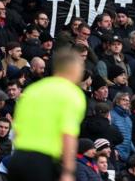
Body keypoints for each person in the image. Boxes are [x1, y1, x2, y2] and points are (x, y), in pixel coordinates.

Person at [8, 49, 87, 181]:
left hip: (17, 159)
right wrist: (68, 171)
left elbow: (16, 130)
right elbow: (68, 134)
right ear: (75, 69)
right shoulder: (72, 93)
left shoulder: (33, 90)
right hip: (42, 161)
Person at [111, 92, 135, 168]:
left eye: (128, 100)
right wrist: (113, 150)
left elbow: (129, 137)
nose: (127, 102)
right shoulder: (111, 115)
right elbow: (108, 134)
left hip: (127, 156)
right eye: (124, 100)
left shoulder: (128, 118)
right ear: (117, 101)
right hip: (116, 156)